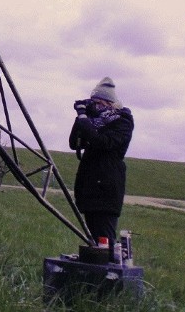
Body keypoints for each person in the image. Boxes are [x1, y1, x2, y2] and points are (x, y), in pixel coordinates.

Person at [69, 76, 134, 248]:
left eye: (98, 102)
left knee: (104, 242)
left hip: (106, 191)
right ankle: (94, 272)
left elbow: (101, 142)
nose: (94, 106)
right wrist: (82, 118)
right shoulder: (92, 122)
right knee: (93, 241)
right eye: (92, 102)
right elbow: (74, 143)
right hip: (90, 189)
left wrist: (84, 118)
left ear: (109, 103)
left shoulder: (123, 122)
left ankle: (109, 272)